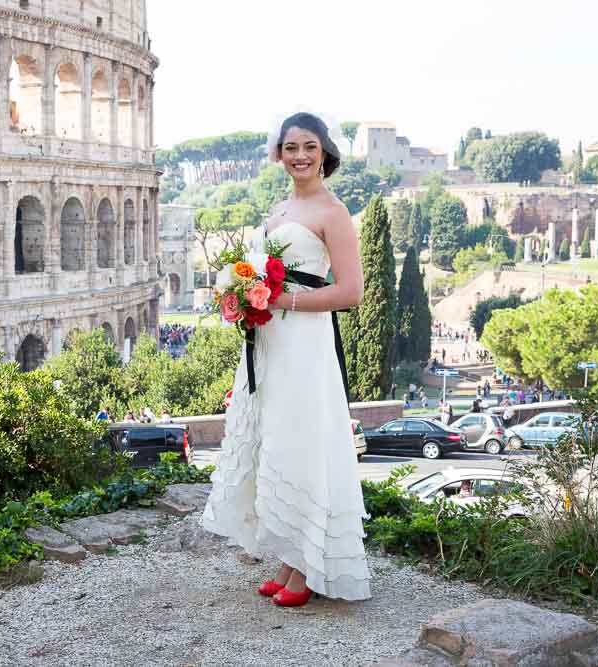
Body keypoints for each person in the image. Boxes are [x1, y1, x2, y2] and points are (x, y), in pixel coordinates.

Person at [202, 112, 370, 608]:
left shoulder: (333, 212)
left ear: (325, 153)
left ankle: (308, 568)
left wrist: (281, 302)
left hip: (304, 340)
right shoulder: (277, 209)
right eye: (291, 146)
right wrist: (243, 295)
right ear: (279, 153)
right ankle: (289, 558)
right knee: (276, 440)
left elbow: (351, 292)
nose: (299, 155)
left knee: (302, 439)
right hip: (269, 340)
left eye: (309, 147)